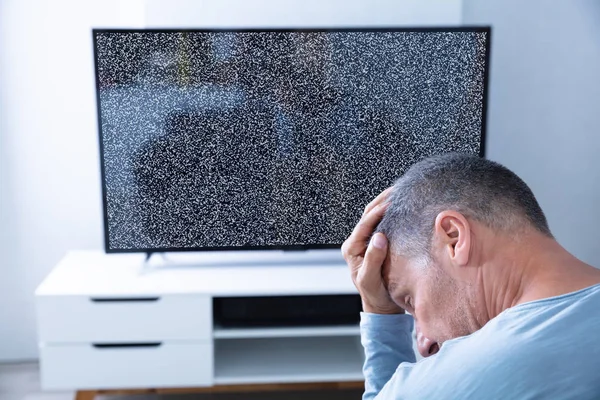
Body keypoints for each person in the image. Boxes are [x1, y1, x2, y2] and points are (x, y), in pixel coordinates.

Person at [342, 153, 600, 399]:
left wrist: (380, 313)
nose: (425, 344)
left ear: (454, 238)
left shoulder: (484, 370)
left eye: (409, 299)